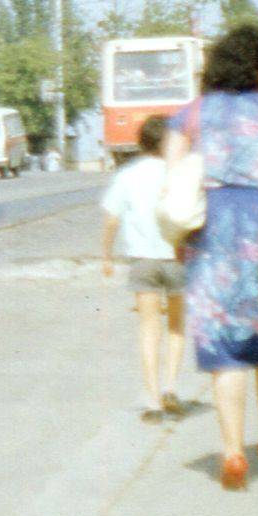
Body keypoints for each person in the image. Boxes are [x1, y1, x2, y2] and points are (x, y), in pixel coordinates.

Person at [165, 24, 258, 490]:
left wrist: (178, 237)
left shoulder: (188, 116)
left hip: (214, 227)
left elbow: (173, 184)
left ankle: (233, 452)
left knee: (223, 339)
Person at [100, 116, 186, 422]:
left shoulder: (128, 175)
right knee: (176, 326)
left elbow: (112, 219)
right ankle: (171, 387)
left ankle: (152, 400)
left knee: (149, 328)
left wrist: (107, 256)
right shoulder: (181, 173)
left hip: (142, 260)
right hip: (178, 257)